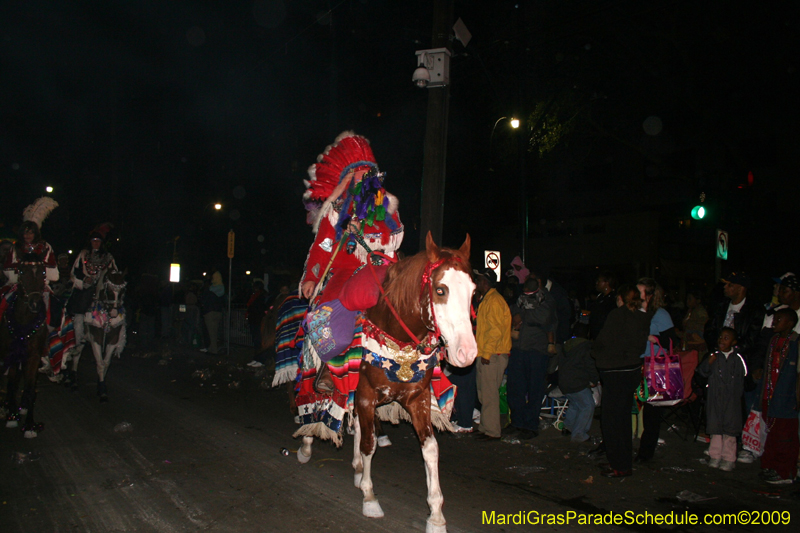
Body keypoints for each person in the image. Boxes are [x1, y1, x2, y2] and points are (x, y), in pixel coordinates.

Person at [300, 131, 403, 392]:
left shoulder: (387, 208)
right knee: (327, 314)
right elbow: (322, 248)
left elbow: (395, 238)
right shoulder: (334, 215)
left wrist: (366, 234)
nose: (364, 181)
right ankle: (328, 365)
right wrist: (312, 277)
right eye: (357, 176)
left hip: (382, 269)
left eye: (368, 175)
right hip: (344, 274)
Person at [592, 284, 651, 478]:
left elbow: (603, 340)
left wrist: (596, 353)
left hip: (615, 372)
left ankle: (619, 465)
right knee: (623, 419)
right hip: (631, 370)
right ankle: (622, 462)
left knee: (612, 421)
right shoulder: (642, 317)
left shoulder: (618, 316)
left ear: (621, 299)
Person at [64, 224, 117, 388]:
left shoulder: (108, 257)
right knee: (78, 313)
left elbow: (114, 273)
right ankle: (77, 340)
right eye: (93, 240)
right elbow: (74, 274)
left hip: (101, 291)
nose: (96, 243)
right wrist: (84, 281)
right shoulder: (83, 255)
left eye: (98, 241)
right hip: (85, 291)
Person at [635, 278, 681, 463]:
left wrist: (654, 339)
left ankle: (646, 454)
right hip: (633, 363)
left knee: (651, 414)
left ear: (650, 295)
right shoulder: (634, 311)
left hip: (652, 366)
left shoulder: (660, 314)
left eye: (640, 292)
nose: (637, 295)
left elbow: (672, 341)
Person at [506, 277, 557, 439]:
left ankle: (531, 424)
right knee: (515, 388)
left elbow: (544, 318)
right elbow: (513, 310)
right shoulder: (522, 299)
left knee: (535, 389)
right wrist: (519, 316)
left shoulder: (546, 299)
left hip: (536, 350)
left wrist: (523, 316)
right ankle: (517, 422)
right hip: (519, 348)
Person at [758, 308, 800, 485]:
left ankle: (784, 472)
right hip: (771, 394)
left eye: (779, 319)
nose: (774, 322)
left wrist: (796, 399)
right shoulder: (774, 340)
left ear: (790, 323)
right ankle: (770, 466)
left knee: (785, 436)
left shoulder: (796, 342)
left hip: (787, 397)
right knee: (772, 434)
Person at [696, 327, 747, 471]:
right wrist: (709, 362)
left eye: (726, 338)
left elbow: (744, 378)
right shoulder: (713, 356)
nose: (722, 340)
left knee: (730, 429)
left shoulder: (738, 359)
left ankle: (729, 458)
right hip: (715, 398)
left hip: (732, 399)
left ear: (734, 342)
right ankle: (715, 456)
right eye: (720, 337)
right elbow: (701, 372)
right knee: (715, 427)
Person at [473, 268, 512, 440]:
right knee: (484, 393)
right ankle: (485, 427)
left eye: (479, 279)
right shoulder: (487, 299)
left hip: (493, 354)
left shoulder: (494, 301)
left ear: (485, 282)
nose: (477, 282)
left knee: (489, 394)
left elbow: (495, 331)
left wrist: (487, 354)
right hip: (486, 353)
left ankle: (492, 431)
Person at [557, 323, 599, 443]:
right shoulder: (586, 347)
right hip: (577, 383)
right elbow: (590, 366)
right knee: (587, 406)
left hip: (564, 382)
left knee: (576, 404)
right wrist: (594, 380)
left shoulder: (566, 345)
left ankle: (568, 427)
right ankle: (579, 434)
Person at [200, 272, 225, 355]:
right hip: (218, 311)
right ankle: (211, 347)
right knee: (214, 331)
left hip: (210, 311)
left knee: (211, 331)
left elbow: (204, 299)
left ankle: (213, 349)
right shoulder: (222, 288)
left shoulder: (210, 289)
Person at [245, 279, 269, 367]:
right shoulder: (254, 295)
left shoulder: (261, 296)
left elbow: (258, 308)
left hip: (259, 320)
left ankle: (261, 359)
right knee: (255, 341)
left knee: (259, 341)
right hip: (254, 320)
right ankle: (256, 358)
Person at [588, 271, 617, 340]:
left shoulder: (612, 300)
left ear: (606, 283)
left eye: (599, 281)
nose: (596, 283)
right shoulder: (600, 297)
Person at [679, 290, 709, 356]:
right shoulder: (690, 311)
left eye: (690, 299)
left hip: (696, 346)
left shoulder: (701, 312)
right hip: (689, 344)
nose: (687, 301)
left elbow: (702, 327)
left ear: (698, 300)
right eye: (687, 299)